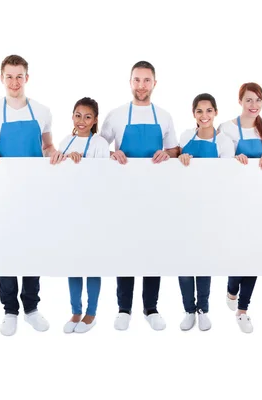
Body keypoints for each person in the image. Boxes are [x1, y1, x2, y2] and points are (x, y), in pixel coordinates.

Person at [0, 54, 56, 336]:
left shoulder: (42, 111)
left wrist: (54, 152)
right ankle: (10, 310)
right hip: (3, 193)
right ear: (2, 78)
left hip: (34, 194)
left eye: (19, 76)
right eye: (9, 76)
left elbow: (47, 146)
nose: (14, 82)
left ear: (27, 78)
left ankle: (31, 308)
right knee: (6, 250)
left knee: (32, 250)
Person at [100, 61, 179, 331]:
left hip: (156, 195)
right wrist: (112, 153)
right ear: (130, 82)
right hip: (123, 194)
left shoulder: (165, 116)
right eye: (137, 80)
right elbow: (99, 148)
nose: (141, 85)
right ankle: (123, 308)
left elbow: (175, 151)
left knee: (153, 249)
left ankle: (151, 307)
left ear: (154, 83)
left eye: (147, 80)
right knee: (125, 248)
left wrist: (167, 154)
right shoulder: (116, 115)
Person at [217, 82, 262, 333]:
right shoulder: (226, 128)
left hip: (261, 201)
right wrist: (234, 159)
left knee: (255, 256)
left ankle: (243, 310)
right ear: (240, 101)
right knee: (238, 252)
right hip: (234, 201)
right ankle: (231, 288)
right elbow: (221, 160)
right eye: (249, 100)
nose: (254, 105)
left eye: (258, 100)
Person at [50, 97, 109, 333]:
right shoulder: (66, 141)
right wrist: (59, 161)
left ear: (95, 120)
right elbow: (56, 176)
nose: (81, 120)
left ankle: (91, 313)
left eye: (87, 116)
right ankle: (75, 311)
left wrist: (81, 165)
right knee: (72, 263)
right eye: (77, 115)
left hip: (92, 213)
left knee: (92, 264)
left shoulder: (100, 144)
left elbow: (104, 179)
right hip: (69, 212)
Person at [177, 93, 235, 331]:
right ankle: (188, 310)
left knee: (204, 260)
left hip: (210, 208)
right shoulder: (184, 137)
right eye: (199, 111)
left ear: (216, 113)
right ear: (194, 114)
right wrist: (181, 158)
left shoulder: (224, 142)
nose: (204, 116)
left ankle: (203, 309)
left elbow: (226, 178)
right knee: (183, 261)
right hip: (184, 207)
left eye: (209, 110)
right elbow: (175, 173)